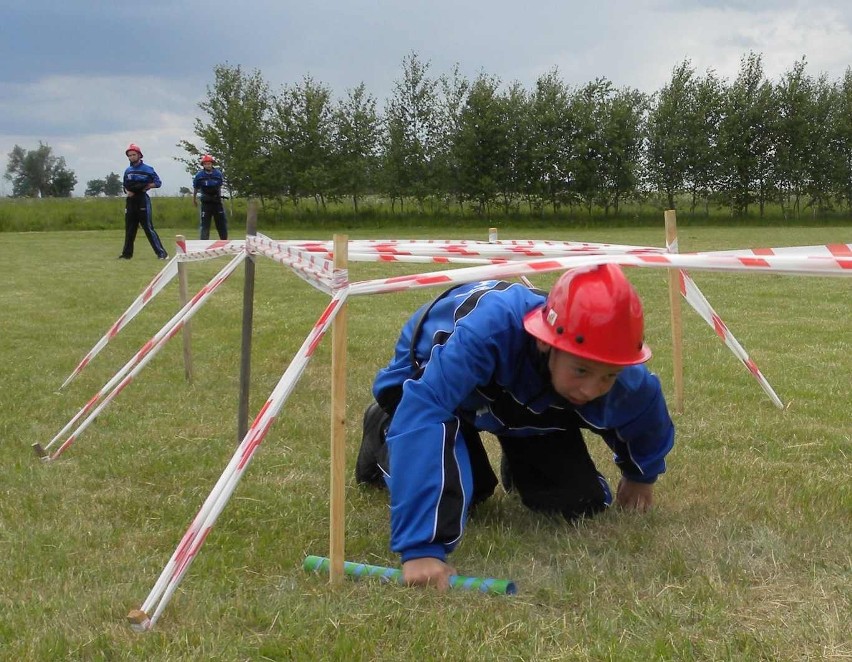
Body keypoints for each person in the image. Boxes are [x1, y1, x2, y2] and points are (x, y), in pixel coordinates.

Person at [355, 264, 675, 590]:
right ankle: (382, 426)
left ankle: (519, 456)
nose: (592, 389)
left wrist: (640, 476)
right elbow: (424, 410)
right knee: (467, 492)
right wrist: (421, 549)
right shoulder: (487, 333)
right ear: (545, 343)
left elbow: (646, 410)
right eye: (581, 371)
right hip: (426, 383)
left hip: (522, 397)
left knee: (579, 503)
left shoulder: (610, 366)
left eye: (609, 376)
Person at [118, 143, 168, 260]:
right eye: (129, 155)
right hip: (131, 200)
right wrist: (127, 191)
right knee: (130, 228)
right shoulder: (128, 171)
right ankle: (126, 254)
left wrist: (147, 186)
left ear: (139, 155)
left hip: (142, 200)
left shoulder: (148, 169)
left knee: (148, 228)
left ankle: (161, 253)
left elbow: (158, 182)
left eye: (134, 155)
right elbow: (124, 185)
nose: (131, 157)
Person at [192, 154, 228, 240]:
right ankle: (203, 243)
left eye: (209, 163)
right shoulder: (199, 176)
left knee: (221, 222)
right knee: (205, 224)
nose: (207, 165)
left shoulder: (218, 174)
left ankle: (224, 241)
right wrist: (194, 199)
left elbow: (219, 187)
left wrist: (219, 199)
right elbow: (196, 188)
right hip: (206, 202)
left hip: (216, 201)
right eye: (205, 164)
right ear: (203, 165)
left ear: (212, 164)